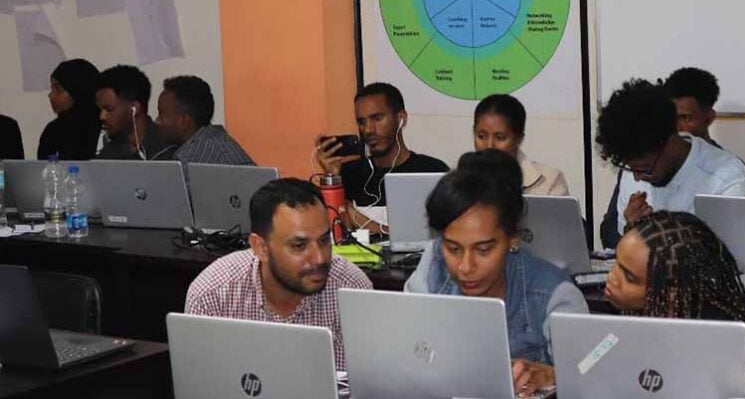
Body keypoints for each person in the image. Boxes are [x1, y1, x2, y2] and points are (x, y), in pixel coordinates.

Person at [405, 150, 587, 395]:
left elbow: (590, 369)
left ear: (513, 238)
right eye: (453, 248)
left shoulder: (551, 291)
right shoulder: (433, 269)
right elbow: (405, 349)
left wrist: (556, 374)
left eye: (483, 250)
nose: (465, 267)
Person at [604, 211, 745, 399]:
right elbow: (585, 367)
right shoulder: (630, 320)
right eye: (616, 263)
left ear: (671, 290)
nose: (612, 277)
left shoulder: (728, 345)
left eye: (629, 277)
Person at [185, 178, 372, 372]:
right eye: (299, 246)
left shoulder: (353, 289)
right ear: (261, 248)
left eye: (324, 240)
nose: (319, 258)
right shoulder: (212, 295)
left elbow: (368, 387)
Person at [596, 78, 745, 249]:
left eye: (644, 170)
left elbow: (728, 262)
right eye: (630, 168)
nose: (636, 177)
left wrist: (651, 236)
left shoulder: (729, 182)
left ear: (671, 142)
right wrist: (632, 232)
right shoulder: (635, 169)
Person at [316, 82, 448, 231]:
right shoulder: (347, 174)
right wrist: (332, 179)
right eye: (361, 122)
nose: (368, 129)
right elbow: (336, 233)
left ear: (401, 119)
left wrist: (355, 215)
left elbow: (439, 233)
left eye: (377, 118)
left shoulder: (432, 171)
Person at [473, 94, 568, 195]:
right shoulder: (458, 178)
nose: (489, 146)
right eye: (482, 136)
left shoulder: (549, 181)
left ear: (519, 138)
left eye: (499, 138)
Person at [156, 75, 254, 165]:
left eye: (161, 115)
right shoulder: (215, 141)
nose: (157, 121)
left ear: (183, 121)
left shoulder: (191, 160)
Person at [94, 65, 175, 160]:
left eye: (109, 109)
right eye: (101, 110)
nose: (102, 116)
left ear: (134, 108)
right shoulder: (107, 155)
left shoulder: (169, 149)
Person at [37, 59, 101, 161]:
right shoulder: (53, 131)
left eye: (58, 89)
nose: (51, 95)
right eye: (52, 88)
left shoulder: (103, 130)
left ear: (78, 92)